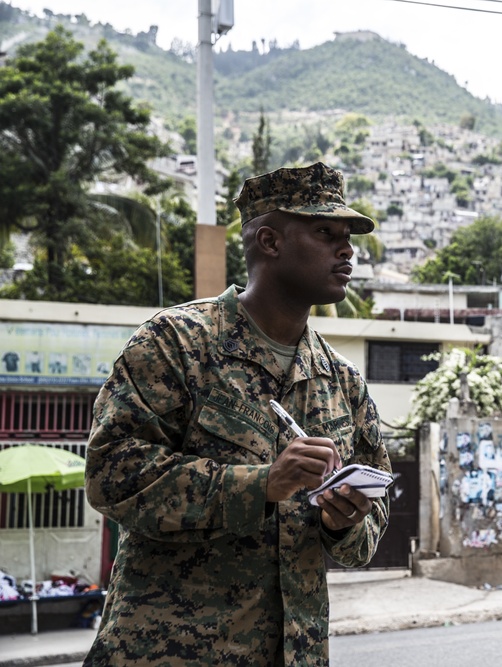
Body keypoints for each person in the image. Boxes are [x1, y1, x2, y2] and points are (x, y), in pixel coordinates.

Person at [83, 163, 391, 666]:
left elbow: (368, 527)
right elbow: (111, 475)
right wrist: (260, 484)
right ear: (269, 241)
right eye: (324, 232)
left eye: (347, 236)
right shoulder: (176, 343)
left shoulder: (343, 382)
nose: (347, 250)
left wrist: (347, 520)